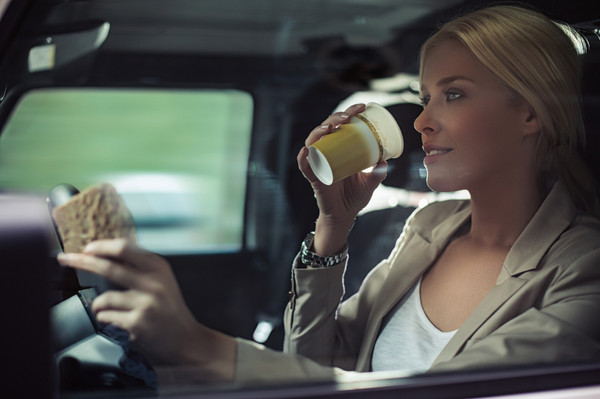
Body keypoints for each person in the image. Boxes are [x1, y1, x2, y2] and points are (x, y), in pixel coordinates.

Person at [57, 4, 600, 387]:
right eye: (424, 97)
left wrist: (198, 346)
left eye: (453, 95)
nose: (424, 121)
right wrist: (332, 229)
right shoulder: (431, 228)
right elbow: (314, 366)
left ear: (531, 111)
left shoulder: (584, 270)